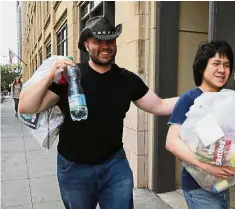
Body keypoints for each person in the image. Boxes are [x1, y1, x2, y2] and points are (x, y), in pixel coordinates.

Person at [18, 16, 178, 209]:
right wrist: (51, 75)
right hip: (74, 168)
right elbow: (26, 107)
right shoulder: (70, 76)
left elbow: (159, 105)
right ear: (86, 45)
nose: (105, 46)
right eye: (97, 41)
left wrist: (198, 97)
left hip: (114, 166)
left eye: (110, 40)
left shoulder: (127, 80)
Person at [165, 40, 235, 209]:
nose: (222, 70)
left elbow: (233, 144)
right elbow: (171, 142)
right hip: (198, 187)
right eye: (216, 64)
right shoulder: (190, 99)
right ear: (201, 68)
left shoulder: (228, 101)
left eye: (227, 65)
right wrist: (207, 167)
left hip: (222, 184)